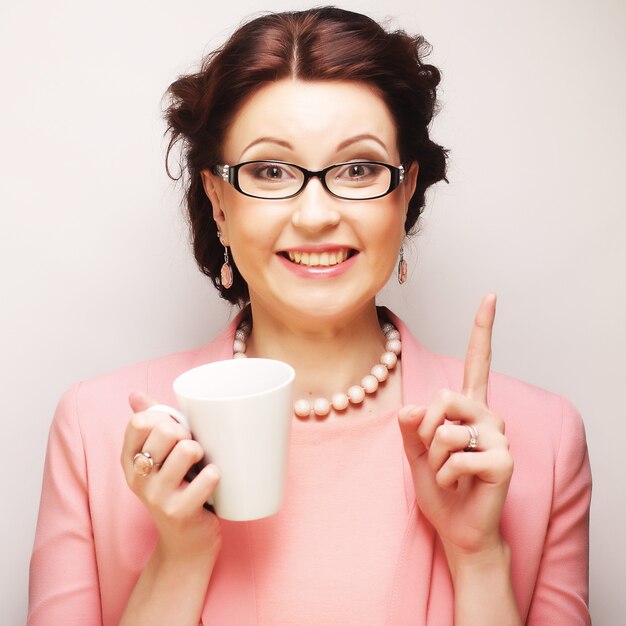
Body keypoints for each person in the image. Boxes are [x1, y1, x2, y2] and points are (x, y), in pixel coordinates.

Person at [28, 7, 591, 626]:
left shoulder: (542, 440)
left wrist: (478, 556)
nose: (317, 214)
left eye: (358, 169)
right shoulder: (94, 430)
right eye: (270, 171)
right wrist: (180, 559)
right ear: (217, 200)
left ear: (405, 192)